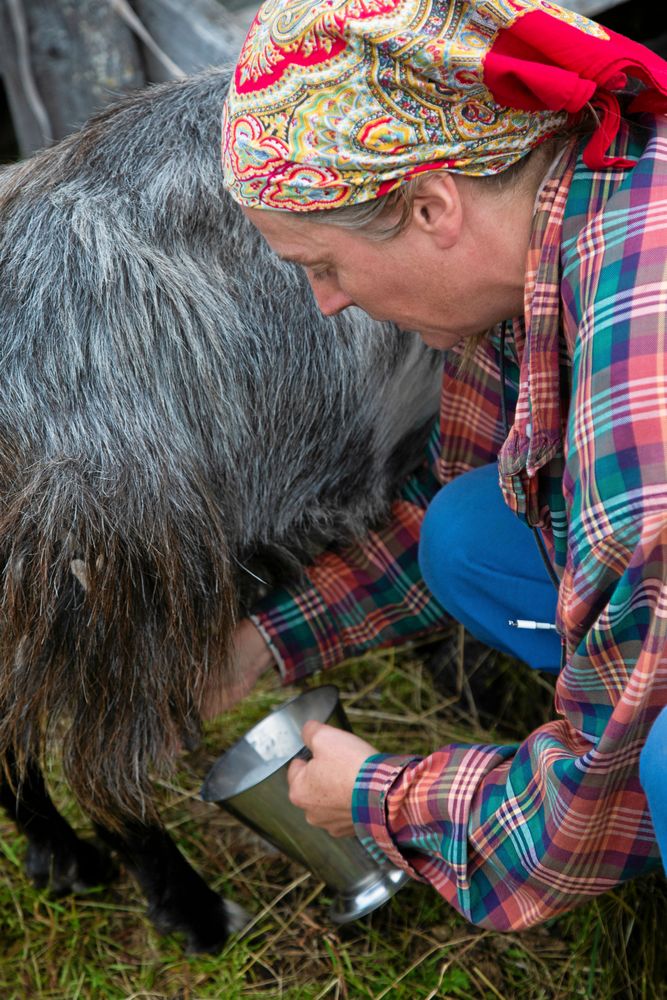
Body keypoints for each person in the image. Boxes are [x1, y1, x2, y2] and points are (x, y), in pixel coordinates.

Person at [217, 0, 667, 929]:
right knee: (471, 532)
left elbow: (590, 810)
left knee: (658, 759)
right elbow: (445, 508)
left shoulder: (640, 398)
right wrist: (264, 644)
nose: (328, 302)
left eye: (321, 263)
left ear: (431, 206)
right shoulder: (563, 218)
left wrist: (377, 796)